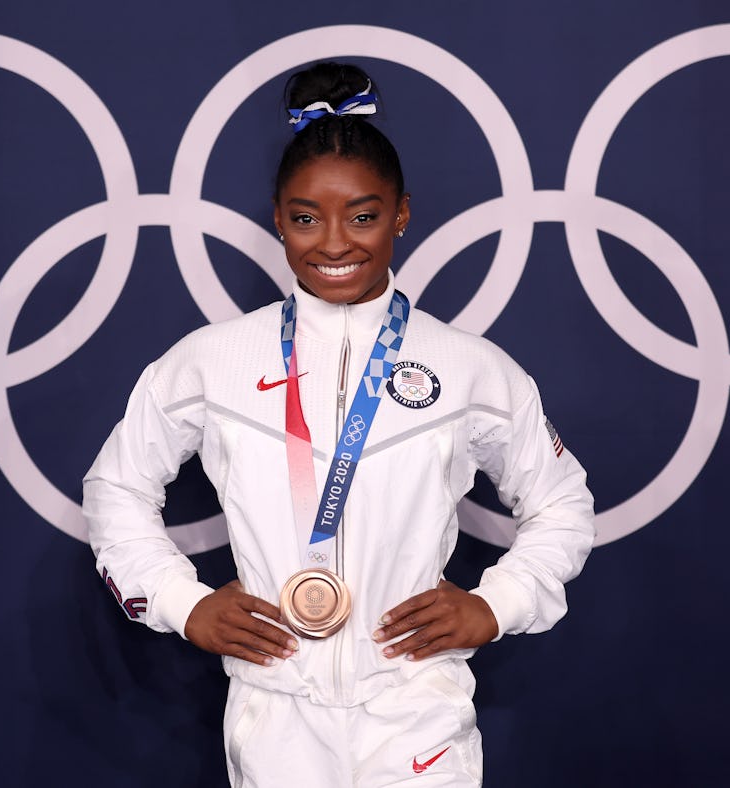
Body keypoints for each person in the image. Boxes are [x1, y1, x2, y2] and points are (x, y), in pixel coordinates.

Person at [83, 61, 594, 787]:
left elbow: (562, 502)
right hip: (274, 714)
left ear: (401, 215)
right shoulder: (211, 360)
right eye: (305, 218)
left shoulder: (470, 367)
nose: (332, 243)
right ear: (277, 218)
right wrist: (179, 601)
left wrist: (498, 602)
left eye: (362, 216)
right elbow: (116, 487)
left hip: (417, 710)